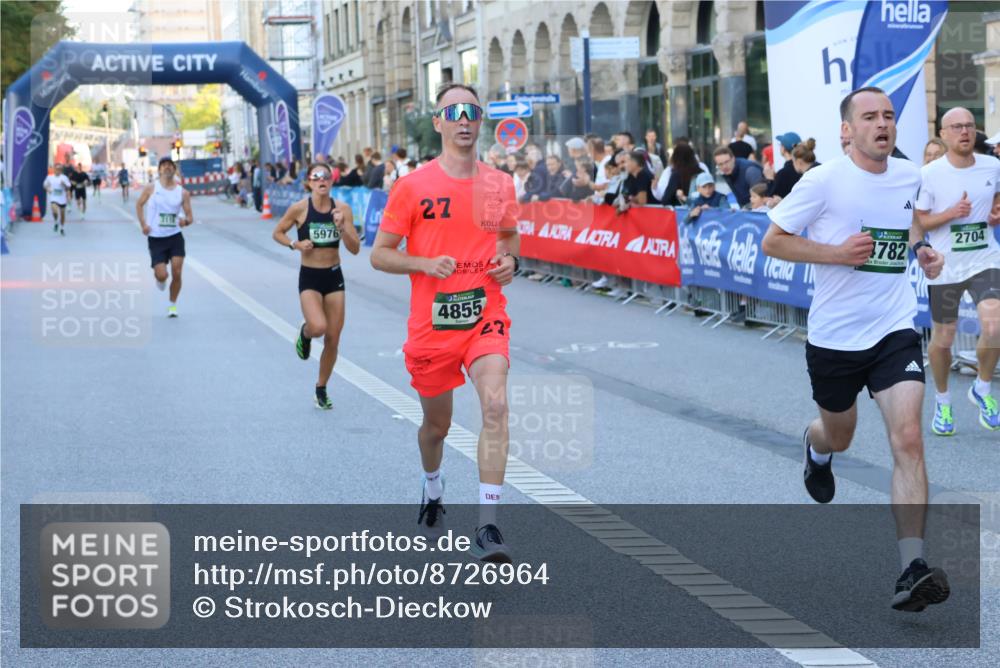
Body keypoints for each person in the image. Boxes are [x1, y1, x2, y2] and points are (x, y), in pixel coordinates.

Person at [762, 86, 950, 612]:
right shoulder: (823, 180)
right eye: (869, 117)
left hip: (893, 329)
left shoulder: (908, 174)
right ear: (847, 130)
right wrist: (836, 253)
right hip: (835, 338)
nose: (882, 123)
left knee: (908, 439)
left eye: (888, 115)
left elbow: (909, 215)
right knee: (839, 435)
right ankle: (816, 446)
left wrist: (921, 247)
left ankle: (912, 567)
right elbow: (773, 240)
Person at [371, 82, 519, 562]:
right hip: (432, 325)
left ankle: (488, 526)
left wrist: (510, 263)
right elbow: (380, 255)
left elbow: (509, 239)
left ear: (480, 120)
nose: (463, 119)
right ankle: (432, 485)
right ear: (437, 123)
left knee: (495, 405)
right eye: (453, 112)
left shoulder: (499, 184)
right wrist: (422, 263)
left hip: (484, 313)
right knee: (437, 426)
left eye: (471, 111)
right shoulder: (413, 187)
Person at [915, 106, 1000, 434]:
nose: (965, 131)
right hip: (946, 265)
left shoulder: (992, 165)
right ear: (943, 134)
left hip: (985, 259)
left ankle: (982, 387)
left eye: (969, 125)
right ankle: (943, 401)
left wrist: (996, 211)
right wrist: (951, 213)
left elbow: (996, 199)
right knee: (944, 338)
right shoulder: (929, 174)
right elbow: (919, 222)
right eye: (957, 127)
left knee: (994, 325)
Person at [271, 162, 361, 409]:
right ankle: (306, 332)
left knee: (333, 337)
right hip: (310, 276)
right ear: (309, 182)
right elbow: (277, 232)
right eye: (317, 176)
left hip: (334, 276)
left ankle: (321, 388)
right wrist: (295, 244)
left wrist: (342, 227)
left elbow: (355, 248)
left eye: (326, 176)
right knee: (319, 327)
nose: (322, 180)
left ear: (332, 181)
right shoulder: (299, 209)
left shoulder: (342, 209)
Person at [136, 157, 194, 318]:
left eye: (170, 165)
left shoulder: (183, 192)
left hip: (175, 237)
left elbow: (190, 217)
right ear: (159, 170)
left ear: (174, 169)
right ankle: (160, 279)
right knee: (162, 275)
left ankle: (172, 305)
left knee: (177, 272)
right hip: (156, 238)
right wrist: (143, 224)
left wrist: (185, 222)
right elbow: (139, 204)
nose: (167, 168)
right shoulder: (151, 188)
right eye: (164, 165)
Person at [765, 132, 803, 202]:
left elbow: (771, 200)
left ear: (783, 148)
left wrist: (770, 179)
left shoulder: (783, 173)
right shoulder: (805, 168)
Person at [43, 165, 71, 236]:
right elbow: (45, 185)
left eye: (59, 169)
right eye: (56, 169)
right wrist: (48, 189)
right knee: (54, 210)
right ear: (54, 169)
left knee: (62, 215)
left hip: (62, 198)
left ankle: (62, 228)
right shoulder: (50, 177)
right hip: (54, 197)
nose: (58, 170)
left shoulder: (64, 177)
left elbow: (68, 186)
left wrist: (64, 184)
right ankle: (56, 222)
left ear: (61, 170)